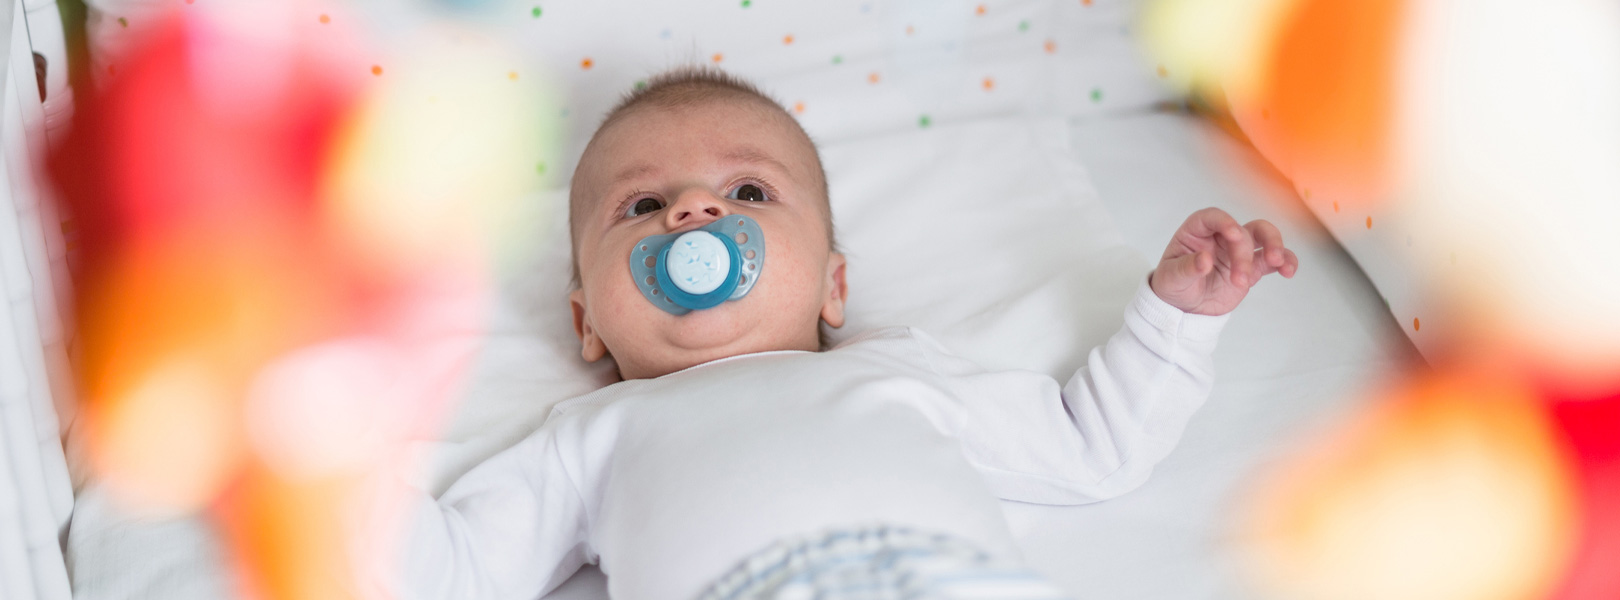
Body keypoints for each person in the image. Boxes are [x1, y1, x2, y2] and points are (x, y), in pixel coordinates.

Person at [375, 66, 1299, 600]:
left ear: (833, 285)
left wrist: (1175, 315)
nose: (693, 214)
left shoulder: (901, 375)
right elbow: (452, 574)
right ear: (587, 319)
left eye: (748, 194)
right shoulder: (586, 442)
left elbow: (1092, 447)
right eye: (642, 205)